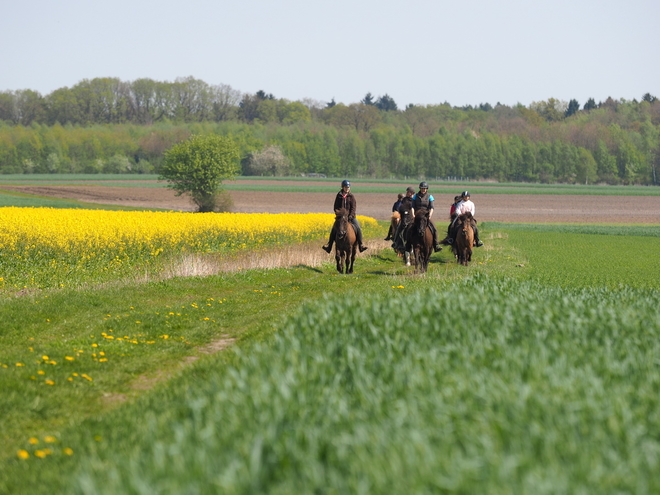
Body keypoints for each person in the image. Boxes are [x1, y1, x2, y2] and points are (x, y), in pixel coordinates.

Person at [322, 180, 368, 253]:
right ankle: (329, 246)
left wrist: (351, 215)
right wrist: (338, 214)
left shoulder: (351, 196)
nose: (347, 189)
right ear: (343, 187)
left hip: (350, 217)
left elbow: (353, 207)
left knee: (358, 227)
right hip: (341, 218)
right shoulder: (339, 195)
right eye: (346, 187)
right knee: (334, 229)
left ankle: (361, 245)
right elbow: (335, 207)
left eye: (348, 187)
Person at [411, 181, 442, 252]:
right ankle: (408, 244)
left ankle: (436, 244)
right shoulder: (415, 196)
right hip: (418, 216)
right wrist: (413, 214)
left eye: (425, 188)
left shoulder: (430, 196)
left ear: (427, 189)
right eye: (422, 188)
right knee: (410, 228)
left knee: (434, 228)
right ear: (420, 188)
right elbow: (412, 206)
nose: (423, 190)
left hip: (426, 216)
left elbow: (432, 207)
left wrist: (430, 214)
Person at [391, 186, 415, 251]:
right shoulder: (404, 199)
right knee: (399, 228)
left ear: (412, 193)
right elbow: (401, 207)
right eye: (407, 192)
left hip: (413, 217)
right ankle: (396, 242)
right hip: (405, 217)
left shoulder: (415, 200)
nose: (407, 193)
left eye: (409, 192)